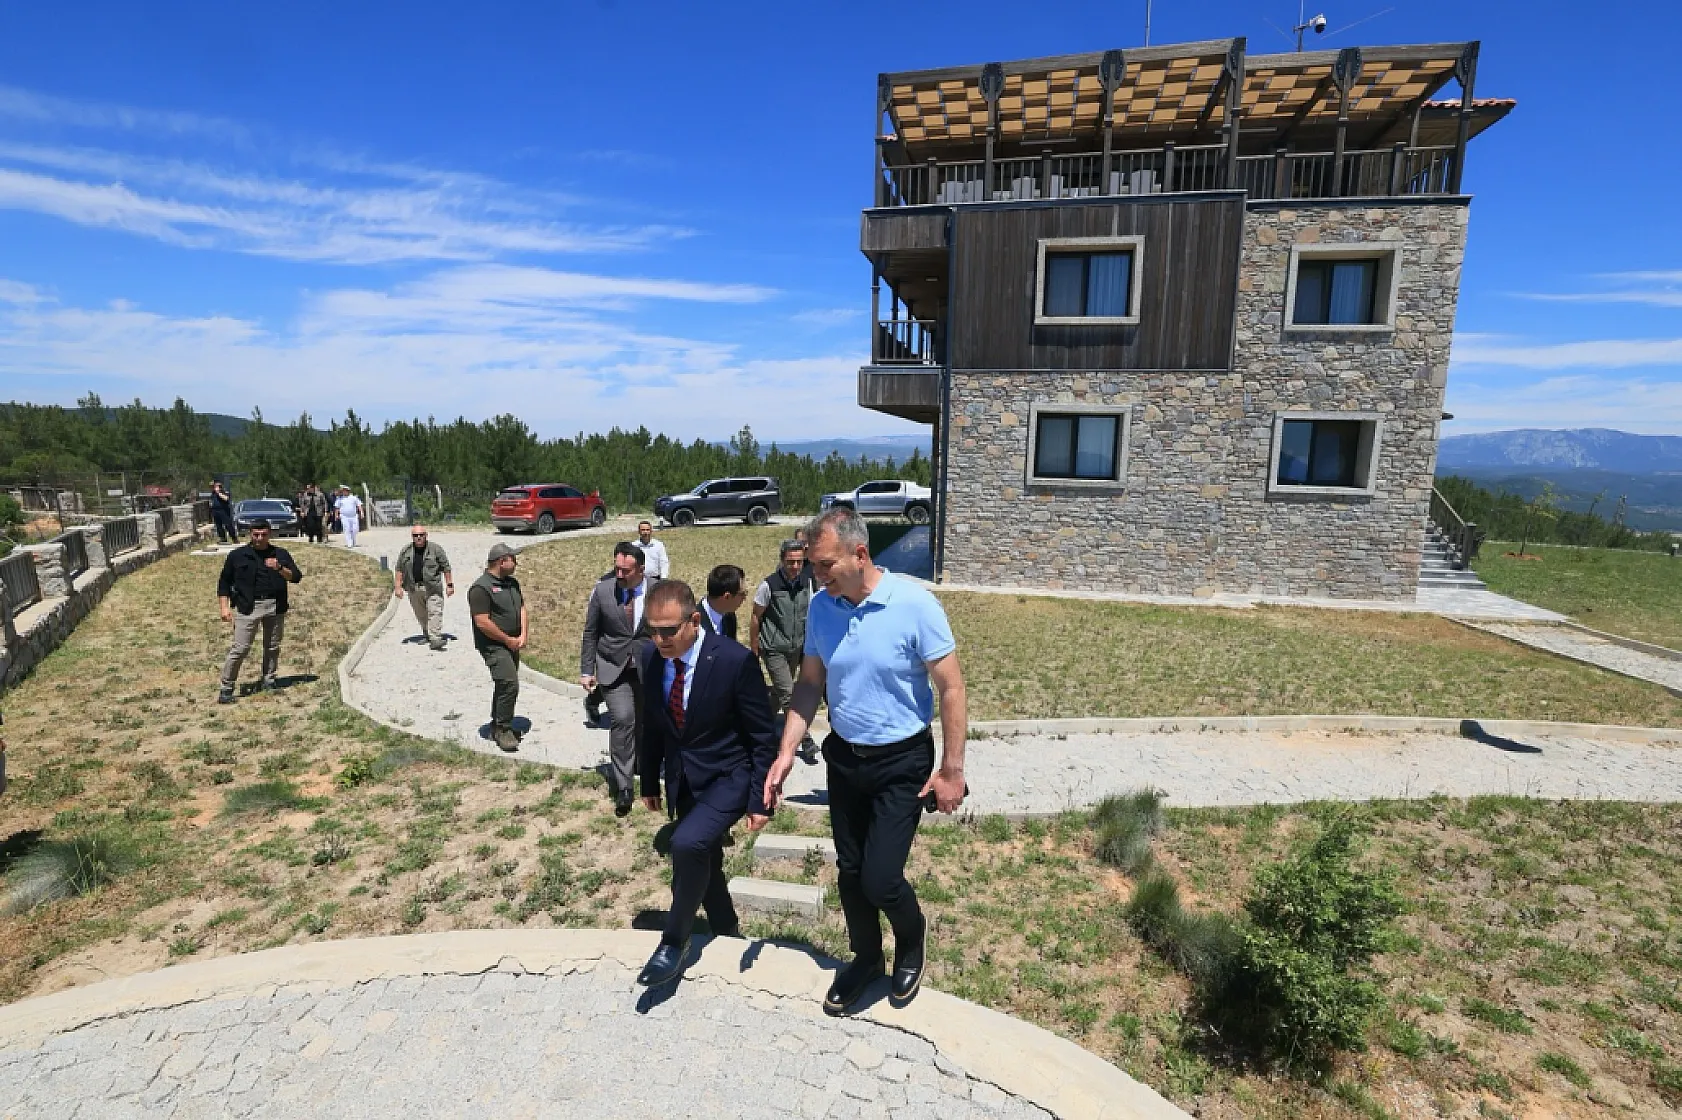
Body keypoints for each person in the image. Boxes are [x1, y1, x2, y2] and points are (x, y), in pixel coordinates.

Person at [763, 507, 967, 1016]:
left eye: (826, 563)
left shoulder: (915, 604)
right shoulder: (821, 607)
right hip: (846, 760)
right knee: (851, 874)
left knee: (879, 877)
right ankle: (867, 958)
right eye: (812, 564)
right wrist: (787, 750)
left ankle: (912, 939)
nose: (816, 574)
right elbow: (810, 683)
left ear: (860, 554)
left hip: (903, 761)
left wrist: (952, 769)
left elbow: (952, 687)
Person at [634, 580, 777, 986]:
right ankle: (726, 930)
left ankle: (673, 942)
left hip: (729, 777)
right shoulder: (650, 658)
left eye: (668, 630)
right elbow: (653, 726)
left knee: (686, 843)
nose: (659, 639)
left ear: (694, 621)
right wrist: (649, 780)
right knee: (706, 860)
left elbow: (761, 736)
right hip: (684, 781)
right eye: (652, 630)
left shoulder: (733, 661)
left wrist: (759, 798)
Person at [580, 542, 652, 815]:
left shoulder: (658, 590)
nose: (619, 575)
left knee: (643, 721)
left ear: (641, 569)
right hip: (612, 666)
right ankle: (624, 787)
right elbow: (591, 632)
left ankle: (641, 764)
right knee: (623, 719)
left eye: (626, 570)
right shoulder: (602, 591)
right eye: (617, 568)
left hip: (647, 668)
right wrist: (587, 670)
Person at [216, 520, 304, 703]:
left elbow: (296, 577)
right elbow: (224, 582)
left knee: (272, 647)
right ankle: (226, 688)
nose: (259, 538)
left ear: (269, 534)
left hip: (275, 606)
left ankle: (269, 679)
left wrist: (279, 568)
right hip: (248, 607)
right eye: (256, 534)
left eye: (263, 535)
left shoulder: (280, 554)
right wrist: (224, 607)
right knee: (240, 648)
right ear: (250, 534)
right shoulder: (237, 555)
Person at [751, 540, 816, 762]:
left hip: (796, 647)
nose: (795, 566)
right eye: (790, 562)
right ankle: (805, 740)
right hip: (774, 648)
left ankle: (761, 721)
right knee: (789, 694)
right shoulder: (769, 585)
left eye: (799, 562)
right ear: (782, 561)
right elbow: (755, 616)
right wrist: (754, 648)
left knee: (780, 691)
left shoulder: (808, 583)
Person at [469, 543, 527, 751]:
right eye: (513, 558)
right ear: (502, 561)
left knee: (505, 684)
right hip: (494, 645)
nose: (516, 562)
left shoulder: (512, 583)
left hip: (512, 642)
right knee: (510, 683)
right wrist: (506, 640)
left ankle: (497, 723)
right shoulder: (480, 588)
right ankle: (503, 730)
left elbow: (522, 608)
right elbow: (482, 622)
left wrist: (522, 634)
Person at [394, 526, 454, 651]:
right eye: (416, 535)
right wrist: (398, 587)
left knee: (435, 611)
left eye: (421, 535)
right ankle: (427, 634)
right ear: (412, 537)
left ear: (426, 535)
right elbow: (399, 569)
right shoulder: (406, 551)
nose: (419, 537)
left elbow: (446, 567)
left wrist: (449, 585)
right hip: (414, 588)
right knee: (421, 614)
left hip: (432, 588)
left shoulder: (435, 549)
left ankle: (435, 638)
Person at [699, 564, 745, 642]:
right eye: (742, 594)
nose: (744, 598)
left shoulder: (729, 617)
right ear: (727, 597)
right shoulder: (695, 624)